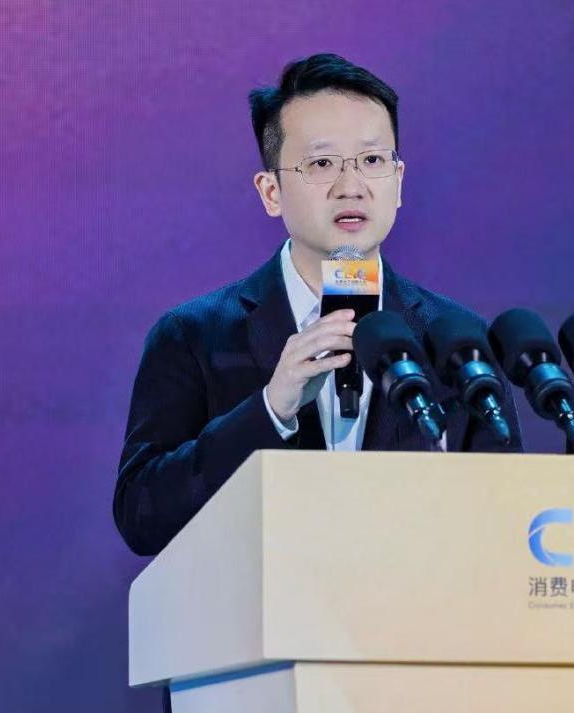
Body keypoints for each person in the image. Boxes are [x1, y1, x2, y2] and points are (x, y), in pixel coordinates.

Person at [113, 53, 523, 559]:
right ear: (271, 191)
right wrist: (272, 409)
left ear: (398, 182)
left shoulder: (457, 340)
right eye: (322, 163)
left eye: (372, 161)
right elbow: (142, 517)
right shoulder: (195, 334)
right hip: (261, 608)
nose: (351, 187)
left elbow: (504, 518)